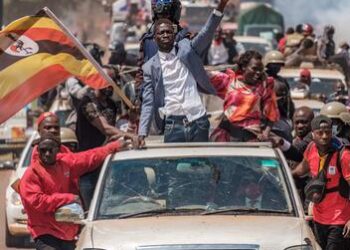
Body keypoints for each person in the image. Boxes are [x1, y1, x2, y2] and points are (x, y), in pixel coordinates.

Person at [138, 0, 230, 144]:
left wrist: (221, 6)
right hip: (172, 125)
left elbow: (207, 31)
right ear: (154, 38)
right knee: (172, 165)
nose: (166, 35)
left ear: (175, 35)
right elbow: (148, 103)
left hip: (199, 121)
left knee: (200, 165)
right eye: (161, 32)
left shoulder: (188, 50)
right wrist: (142, 133)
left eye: (169, 32)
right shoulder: (149, 67)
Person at [19, 133, 129, 250]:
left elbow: (90, 157)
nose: (47, 154)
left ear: (58, 150)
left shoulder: (65, 163)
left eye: (50, 150)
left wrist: (115, 146)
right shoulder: (32, 173)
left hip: (67, 232)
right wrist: (69, 198)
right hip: (44, 232)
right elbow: (37, 201)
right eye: (43, 150)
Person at [292, 115, 350, 250]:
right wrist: (288, 175)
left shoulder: (344, 154)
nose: (324, 136)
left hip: (340, 220)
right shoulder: (311, 148)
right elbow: (304, 167)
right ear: (312, 134)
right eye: (320, 133)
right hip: (318, 218)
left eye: (328, 132)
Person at [76, 85, 137, 209]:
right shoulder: (88, 102)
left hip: (107, 159)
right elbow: (105, 128)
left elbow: (115, 129)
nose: (110, 86)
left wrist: (131, 119)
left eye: (112, 81)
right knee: (90, 206)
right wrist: (127, 134)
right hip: (89, 162)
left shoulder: (111, 104)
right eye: (107, 82)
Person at [209, 50, 279, 142]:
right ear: (244, 67)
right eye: (254, 68)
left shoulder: (264, 85)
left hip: (250, 135)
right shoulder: (230, 81)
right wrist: (232, 66)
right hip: (226, 133)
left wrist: (265, 134)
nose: (258, 72)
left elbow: (272, 113)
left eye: (260, 69)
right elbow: (204, 72)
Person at [264, 50, 295, 120]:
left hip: (281, 116)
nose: (276, 67)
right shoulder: (261, 79)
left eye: (279, 65)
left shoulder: (282, 81)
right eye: (273, 65)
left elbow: (289, 102)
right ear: (267, 64)